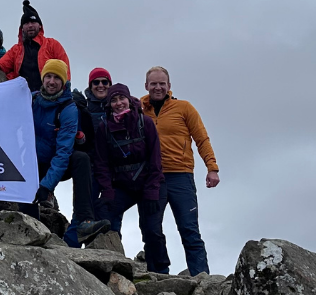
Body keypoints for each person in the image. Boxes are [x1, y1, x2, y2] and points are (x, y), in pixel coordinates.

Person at [141, 66, 220, 276]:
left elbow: (201, 138)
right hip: (152, 178)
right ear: (146, 85)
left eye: (162, 84)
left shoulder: (184, 108)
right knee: (151, 229)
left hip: (181, 176)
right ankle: (158, 274)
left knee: (189, 229)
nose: (158, 88)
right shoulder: (138, 107)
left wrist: (212, 168)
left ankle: (201, 278)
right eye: (154, 84)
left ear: (169, 86)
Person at [27, 59, 110, 246]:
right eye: (48, 76)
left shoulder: (68, 109)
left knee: (81, 159)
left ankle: (84, 221)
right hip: (31, 163)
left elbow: (64, 152)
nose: (51, 81)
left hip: (55, 164)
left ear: (63, 82)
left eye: (57, 78)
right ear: (42, 78)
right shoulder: (30, 99)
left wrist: (46, 186)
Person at [92, 83, 166, 271]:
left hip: (148, 183)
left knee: (152, 230)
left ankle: (159, 270)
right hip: (122, 185)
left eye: (121, 99)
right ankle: (114, 263)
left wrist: (151, 191)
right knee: (105, 214)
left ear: (129, 100)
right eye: (114, 100)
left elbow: (156, 159)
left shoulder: (145, 123)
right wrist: (107, 192)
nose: (118, 103)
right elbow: (101, 163)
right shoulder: (104, 128)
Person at [0, 0, 70, 93]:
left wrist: (66, 91)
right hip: (23, 97)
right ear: (22, 28)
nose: (30, 25)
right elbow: (2, 65)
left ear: (40, 25)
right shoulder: (16, 50)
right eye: (26, 23)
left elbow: (65, 68)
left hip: (48, 96)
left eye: (33, 22)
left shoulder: (52, 44)